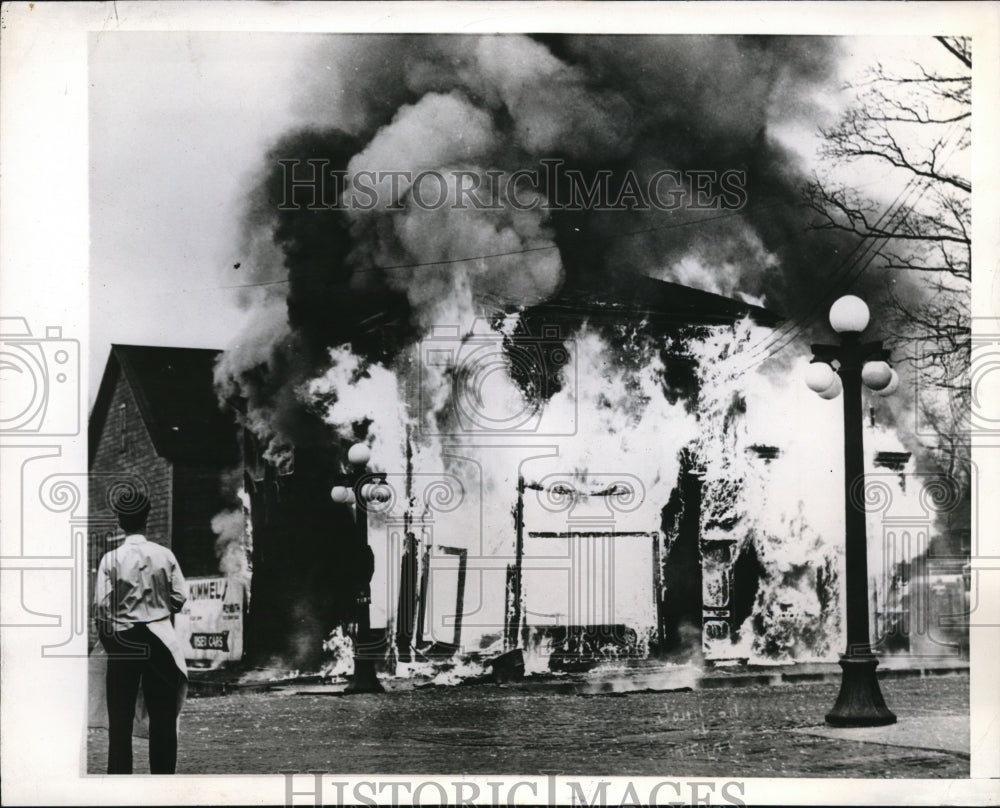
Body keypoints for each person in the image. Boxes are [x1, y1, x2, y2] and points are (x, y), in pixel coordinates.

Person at [95, 489, 188, 774]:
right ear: (146, 518)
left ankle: (121, 784)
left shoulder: (110, 559)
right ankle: (162, 782)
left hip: (123, 640)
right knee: (163, 718)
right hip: (160, 639)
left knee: (119, 721)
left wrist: (113, 644)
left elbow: (101, 607)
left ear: (121, 521)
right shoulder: (165, 555)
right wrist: (158, 608)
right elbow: (179, 597)